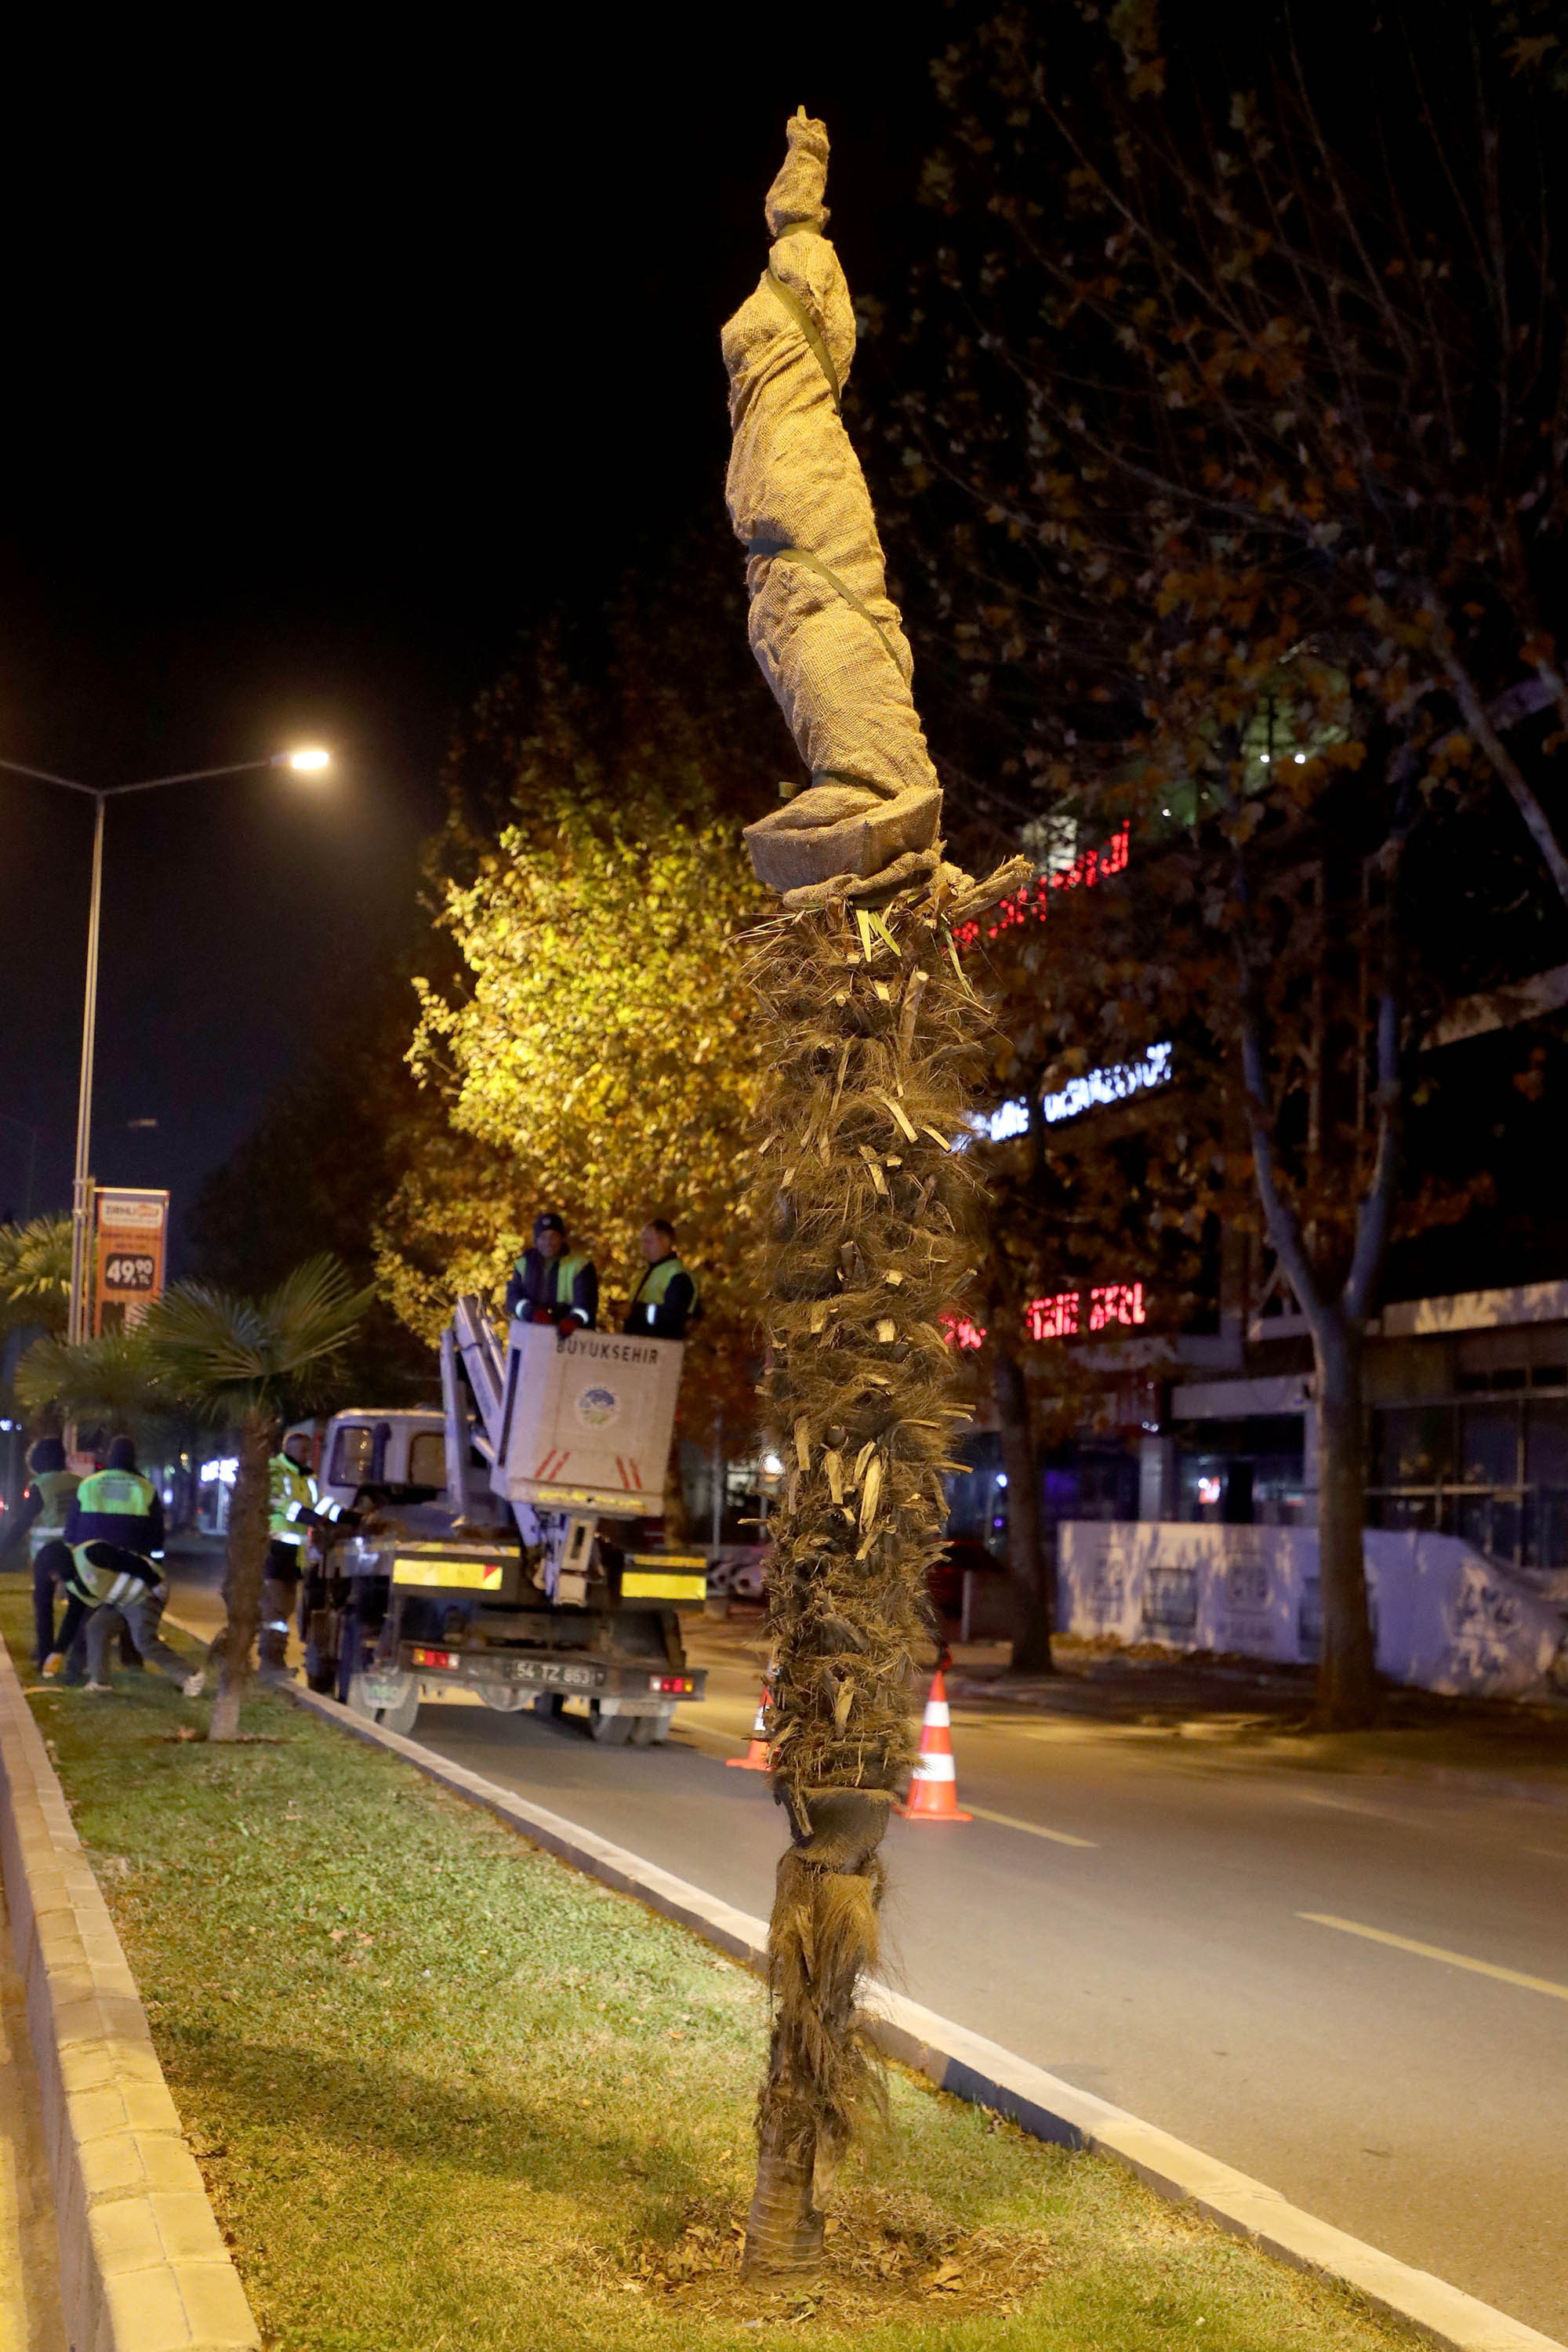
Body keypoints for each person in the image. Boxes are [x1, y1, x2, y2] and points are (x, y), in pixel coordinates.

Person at [45, 1436, 201, 1698]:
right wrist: (156, 1562)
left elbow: (71, 1529)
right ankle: (100, 1681)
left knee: (141, 1639)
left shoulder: (89, 1486)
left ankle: (190, 1676)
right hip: (128, 1573)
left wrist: (154, 1581)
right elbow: (156, 1537)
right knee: (96, 1628)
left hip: (135, 1582)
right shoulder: (145, 1488)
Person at [0, 1436, 82, 1668]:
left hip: (48, 1554)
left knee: (44, 1604)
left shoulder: (41, 1485)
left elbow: (23, 1522)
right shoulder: (78, 1482)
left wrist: (3, 1549)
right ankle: (77, 1654)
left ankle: (45, 1652)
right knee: (79, 1603)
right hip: (77, 1552)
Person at [262, 1428, 323, 1670]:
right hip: (274, 1551)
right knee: (274, 1609)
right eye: (303, 1450)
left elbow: (321, 1506)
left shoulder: (309, 1478)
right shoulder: (275, 1469)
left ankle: (275, 1658)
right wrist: (310, 1517)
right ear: (288, 1449)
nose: (307, 1454)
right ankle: (271, 1660)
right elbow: (277, 1501)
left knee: (285, 1610)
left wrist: (344, 1517)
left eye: (309, 1450)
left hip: (294, 1557)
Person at [504, 1210, 598, 1335]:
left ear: (562, 1238)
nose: (548, 1242)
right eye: (543, 1237)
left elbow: (586, 1304)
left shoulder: (580, 1264)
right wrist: (531, 1313)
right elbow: (512, 1299)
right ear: (536, 1241)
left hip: (572, 1337)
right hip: (532, 1332)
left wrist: (574, 1320)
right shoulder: (524, 1263)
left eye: (554, 1236)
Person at [623, 1219, 701, 1340]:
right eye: (643, 1242)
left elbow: (673, 1317)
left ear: (666, 1241)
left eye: (649, 1242)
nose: (644, 1247)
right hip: (638, 1349)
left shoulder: (678, 1276)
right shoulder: (643, 1274)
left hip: (662, 1351)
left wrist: (634, 1311)